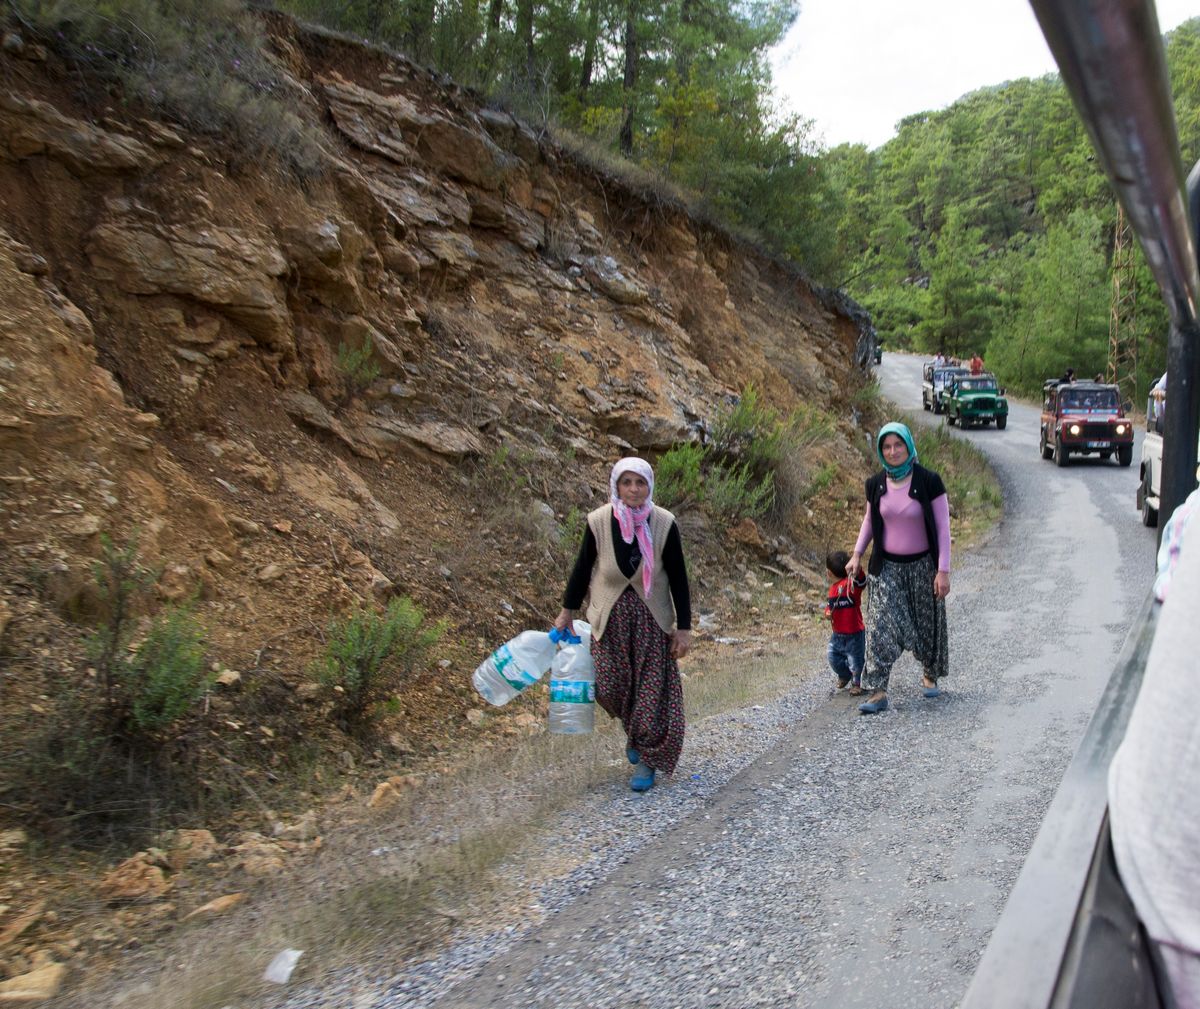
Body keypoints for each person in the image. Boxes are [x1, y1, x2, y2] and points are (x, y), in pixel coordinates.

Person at [555, 457, 692, 792]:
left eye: (640, 482)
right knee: (609, 687)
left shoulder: (663, 523)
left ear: (649, 486)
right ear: (616, 485)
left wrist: (684, 628)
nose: (633, 489)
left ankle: (645, 759)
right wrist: (567, 612)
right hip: (609, 621)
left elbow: (678, 578)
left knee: (650, 695)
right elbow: (582, 568)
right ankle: (636, 734)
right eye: (626, 482)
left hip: (651, 623)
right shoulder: (599, 521)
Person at [846, 423, 951, 714]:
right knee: (879, 625)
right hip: (887, 567)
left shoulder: (929, 481)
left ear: (908, 446)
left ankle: (930, 673)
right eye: (886, 447)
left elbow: (943, 527)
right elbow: (869, 521)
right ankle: (877, 690)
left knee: (927, 625)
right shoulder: (876, 483)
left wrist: (943, 570)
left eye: (898, 445)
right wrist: (857, 555)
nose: (892, 451)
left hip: (922, 567)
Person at [824, 549, 867, 695]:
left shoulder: (850, 586)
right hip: (837, 634)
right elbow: (830, 606)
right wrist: (827, 613)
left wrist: (858, 571)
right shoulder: (832, 590)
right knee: (832, 656)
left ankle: (857, 683)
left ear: (828, 573)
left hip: (854, 633)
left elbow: (861, 583)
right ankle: (844, 674)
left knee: (855, 661)